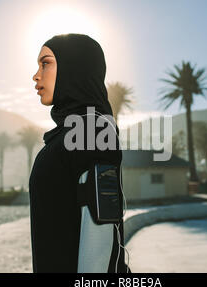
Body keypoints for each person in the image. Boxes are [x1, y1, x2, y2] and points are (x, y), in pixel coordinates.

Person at [29, 33, 130, 273]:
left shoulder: (92, 130)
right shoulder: (68, 134)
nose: (36, 75)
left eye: (46, 63)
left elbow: (99, 241)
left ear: (74, 68)